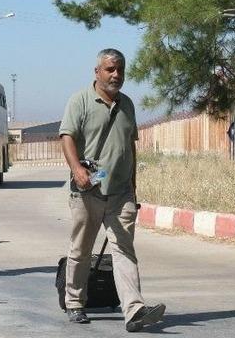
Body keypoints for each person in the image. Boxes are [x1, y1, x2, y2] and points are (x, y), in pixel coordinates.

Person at [59, 48, 165, 332]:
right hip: (87, 191)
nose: (116, 75)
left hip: (120, 193)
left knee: (123, 249)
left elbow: (130, 146)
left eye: (120, 70)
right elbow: (66, 137)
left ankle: (134, 310)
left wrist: (133, 185)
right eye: (110, 69)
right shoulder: (80, 100)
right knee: (81, 249)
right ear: (97, 72)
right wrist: (77, 170)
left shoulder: (128, 104)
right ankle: (74, 302)